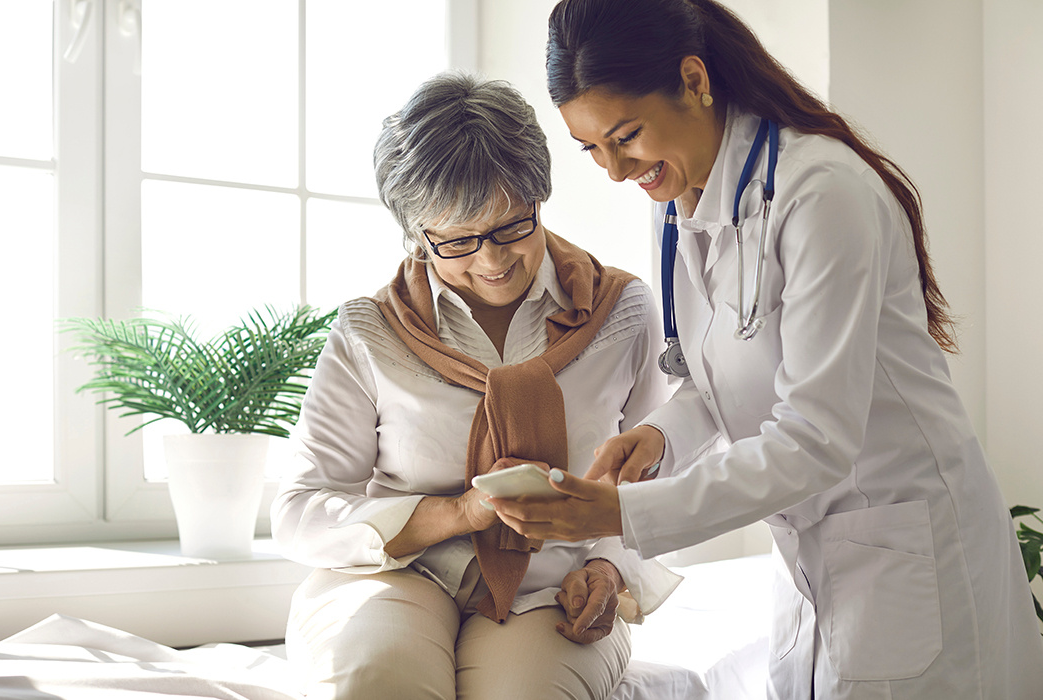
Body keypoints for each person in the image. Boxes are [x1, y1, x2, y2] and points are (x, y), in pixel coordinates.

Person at [488, 1, 1043, 698]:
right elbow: (722, 375)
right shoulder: (679, 202)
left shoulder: (822, 193)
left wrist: (622, 516)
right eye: (591, 149)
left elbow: (815, 438)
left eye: (624, 137)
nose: (613, 171)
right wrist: (660, 437)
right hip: (816, 555)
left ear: (695, 79)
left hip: (910, 543)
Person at [270, 71, 680, 700]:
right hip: (396, 574)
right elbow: (300, 511)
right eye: (458, 240)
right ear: (415, 235)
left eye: (513, 226)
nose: (492, 261)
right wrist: (455, 515)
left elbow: (662, 483)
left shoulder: (623, 312)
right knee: (381, 682)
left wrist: (610, 568)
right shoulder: (369, 330)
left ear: (539, 197)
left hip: (552, 588)